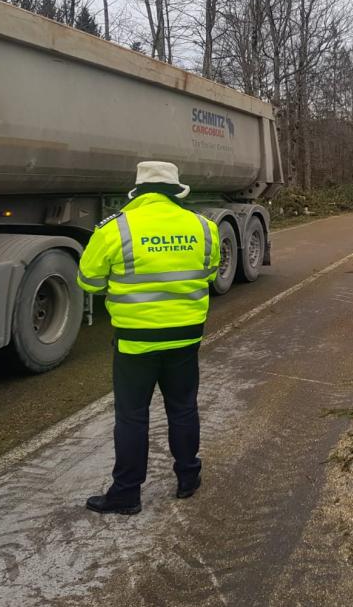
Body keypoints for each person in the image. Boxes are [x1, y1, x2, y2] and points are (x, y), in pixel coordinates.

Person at [77, 161, 220, 515]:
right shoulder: (204, 227)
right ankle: (188, 478)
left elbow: (89, 282)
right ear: (176, 191)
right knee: (183, 408)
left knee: (132, 416)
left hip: (135, 341)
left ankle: (127, 493)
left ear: (137, 192)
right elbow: (209, 270)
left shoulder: (115, 228)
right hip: (186, 338)